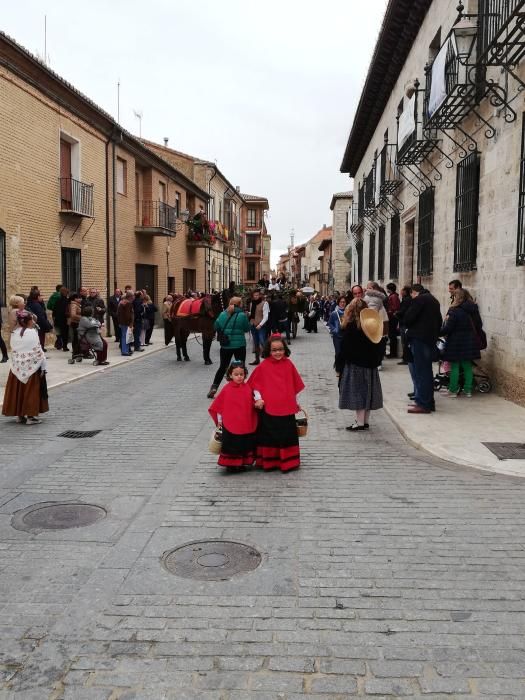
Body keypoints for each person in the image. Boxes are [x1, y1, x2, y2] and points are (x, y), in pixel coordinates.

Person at [247, 334, 305, 472]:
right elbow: (255, 385)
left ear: (285, 349)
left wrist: (295, 402)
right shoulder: (263, 366)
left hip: (287, 408)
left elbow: (294, 386)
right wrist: (259, 398)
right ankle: (270, 462)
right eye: (274, 350)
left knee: (286, 435)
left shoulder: (289, 364)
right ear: (269, 350)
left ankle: (288, 461)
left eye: (280, 349)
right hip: (269, 409)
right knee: (270, 436)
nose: (278, 352)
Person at [336, 300, 383, 431]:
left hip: (355, 365)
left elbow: (344, 348)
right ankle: (365, 421)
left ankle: (360, 422)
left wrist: (340, 365)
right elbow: (379, 344)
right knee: (368, 392)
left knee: (358, 393)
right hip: (371, 364)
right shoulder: (371, 324)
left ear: (350, 310)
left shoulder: (350, 326)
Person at [208, 361, 260, 470]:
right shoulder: (227, 389)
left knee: (243, 444)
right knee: (232, 444)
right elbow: (219, 407)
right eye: (236, 375)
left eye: (241, 374)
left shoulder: (247, 388)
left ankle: (242, 462)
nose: (239, 377)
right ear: (230, 375)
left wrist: (257, 402)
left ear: (245, 374)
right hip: (231, 424)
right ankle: (231, 464)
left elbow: (253, 400)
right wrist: (220, 420)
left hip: (245, 423)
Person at [2, 310, 48, 424]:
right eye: (31, 319)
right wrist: (43, 366)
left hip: (17, 367)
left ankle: (20, 415)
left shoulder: (14, 333)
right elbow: (38, 351)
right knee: (31, 391)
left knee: (19, 390)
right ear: (27, 321)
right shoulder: (32, 333)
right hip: (32, 367)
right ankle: (31, 417)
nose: (33, 321)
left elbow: (14, 350)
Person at [404, 284, 442, 414]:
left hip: (420, 340)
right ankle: (428, 402)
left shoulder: (419, 300)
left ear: (414, 292)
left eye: (412, 295)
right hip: (429, 339)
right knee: (426, 371)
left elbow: (408, 318)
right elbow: (439, 321)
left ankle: (423, 404)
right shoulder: (434, 300)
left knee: (421, 372)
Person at [440, 288, 483, 398]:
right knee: (467, 366)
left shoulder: (454, 310)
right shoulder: (473, 309)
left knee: (455, 366)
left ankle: (453, 390)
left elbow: (448, 328)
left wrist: (437, 332)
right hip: (470, 341)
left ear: (457, 297)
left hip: (456, 342)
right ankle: (468, 390)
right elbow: (479, 325)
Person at [207, 296, 251, 398]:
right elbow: (246, 328)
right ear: (239, 304)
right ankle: (241, 389)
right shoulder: (242, 315)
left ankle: (214, 387)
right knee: (240, 367)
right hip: (239, 345)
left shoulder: (223, 314)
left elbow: (216, 326)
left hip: (226, 346)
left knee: (223, 367)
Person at [249, 289, 270, 365]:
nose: (256, 296)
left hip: (261, 326)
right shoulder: (252, 303)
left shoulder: (265, 303)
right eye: (255, 295)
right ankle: (257, 359)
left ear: (260, 295)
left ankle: (268, 359)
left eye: (257, 295)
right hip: (253, 325)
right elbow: (252, 313)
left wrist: (260, 325)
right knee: (256, 343)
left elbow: (266, 316)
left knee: (262, 341)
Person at [385, 283, 401, 358]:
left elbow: (394, 307)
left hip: (392, 318)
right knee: (391, 336)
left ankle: (393, 353)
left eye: (387, 288)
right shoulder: (393, 296)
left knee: (392, 336)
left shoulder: (393, 296)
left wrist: (388, 312)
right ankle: (392, 352)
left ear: (390, 289)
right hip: (392, 317)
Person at [117, 291, 134, 356]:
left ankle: (125, 350)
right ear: (130, 296)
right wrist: (130, 323)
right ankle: (125, 351)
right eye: (133, 296)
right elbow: (128, 315)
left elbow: (118, 313)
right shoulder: (128, 303)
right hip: (126, 323)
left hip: (122, 322)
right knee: (125, 337)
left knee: (124, 336)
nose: (133, 297)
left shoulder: (121, 302)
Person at [53, 287, 70, 352]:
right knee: (65, 333)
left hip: (58, 319)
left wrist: (54, 318)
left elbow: (54, 311)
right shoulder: (68, 301)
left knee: (59, 333)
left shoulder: (58, 301)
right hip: (65, 319)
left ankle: (59, 344)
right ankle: (64, 346)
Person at [47, 284, 63, 349]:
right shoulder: (62, 296)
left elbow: (48, 306)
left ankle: (58, 341)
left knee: (57, 327)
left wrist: (53, 308)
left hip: (55, 314)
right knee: (63, 328)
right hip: (62, 314)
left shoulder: (52, 296)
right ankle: (60, 342)